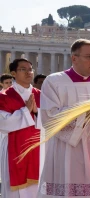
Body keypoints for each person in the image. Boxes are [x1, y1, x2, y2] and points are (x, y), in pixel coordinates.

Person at [38, 39, 90, 197]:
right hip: (67, 149)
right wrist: (86, 113)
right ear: (74, 58)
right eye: (88, 56)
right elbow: (50, 116)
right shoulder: (54, 81)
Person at [0, 58, 41, 197]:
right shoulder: (4, 96)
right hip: (13, 148)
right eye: (23, 69)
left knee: (38, 189)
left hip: (38, 148)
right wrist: (25, 110)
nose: (29, 72)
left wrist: (36, 112)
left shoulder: (40, 94)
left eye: (30, 69)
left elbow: (51, 120)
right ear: (13, 73)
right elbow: (3, 124)